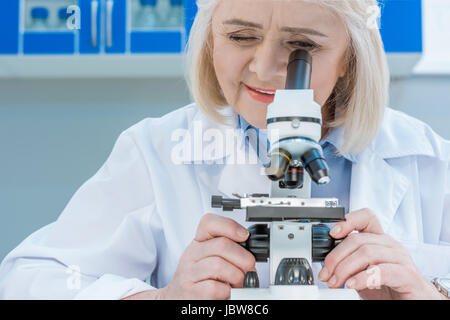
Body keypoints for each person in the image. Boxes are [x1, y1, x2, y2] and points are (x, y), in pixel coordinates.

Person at [0, 0, 449, 300]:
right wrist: (163, 299)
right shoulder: (156, 151)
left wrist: (429, 293)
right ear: (210, 35)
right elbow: (25, 282)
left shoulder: (428, 159)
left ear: (350, 55)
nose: (266, 68)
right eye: (240, 36)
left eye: (302, 47)